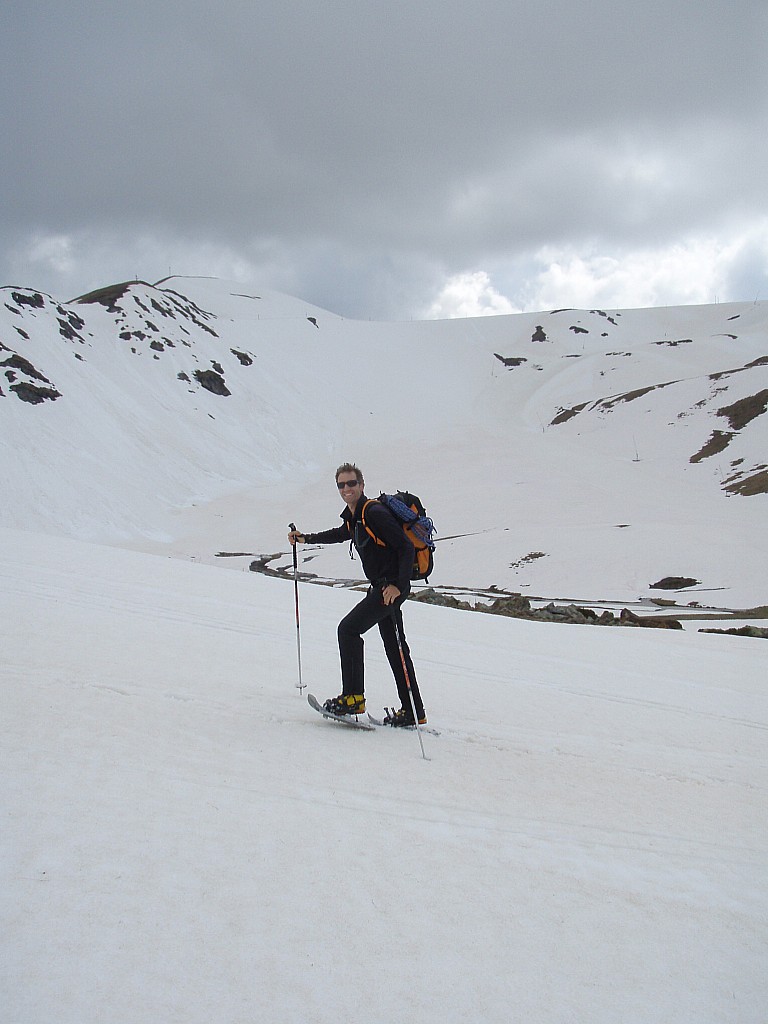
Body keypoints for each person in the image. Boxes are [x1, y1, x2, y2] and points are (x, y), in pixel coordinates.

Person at [288, 463, 426, 726]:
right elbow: (340, 534)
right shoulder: (355, 516)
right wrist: (305, 538)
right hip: (383, 588)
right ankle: (413, 711)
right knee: (395, 648)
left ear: (362, 485)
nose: (346, 489)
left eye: (351, 483)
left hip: (390, 588)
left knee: (348, 630)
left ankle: (353, 698)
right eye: (341, 485)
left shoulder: (373, 512)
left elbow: (405, 548)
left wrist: (397, 586)